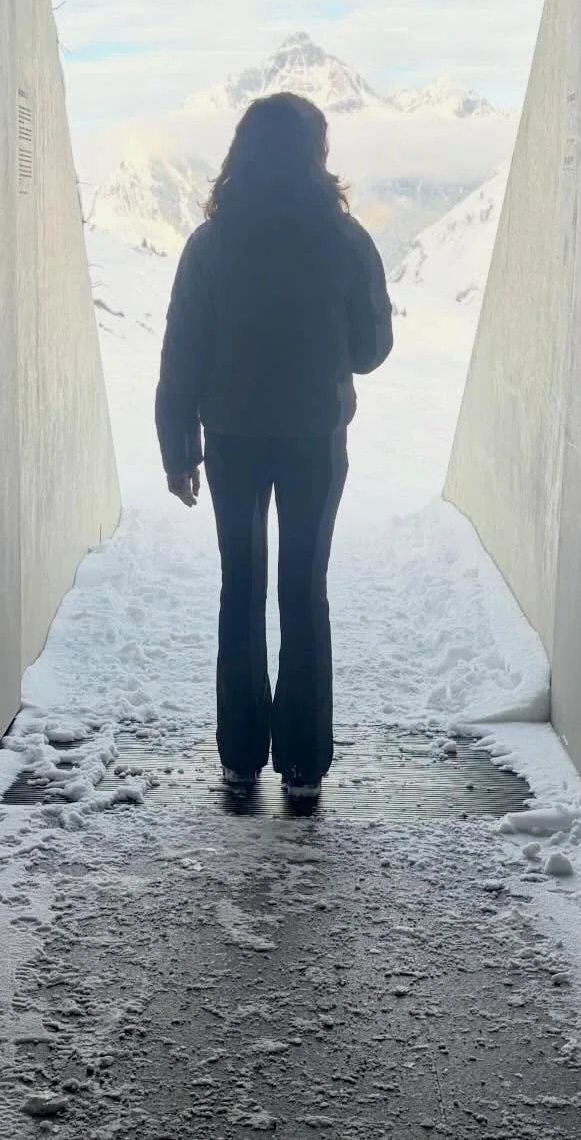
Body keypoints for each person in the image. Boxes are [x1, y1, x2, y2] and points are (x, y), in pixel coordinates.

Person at [155, 92, 394, 802]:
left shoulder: (210, 243)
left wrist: (178, 450)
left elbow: (182, 353)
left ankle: (239, 757)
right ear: (315, 156)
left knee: (241, 586)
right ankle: (303, 764)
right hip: (315, 438)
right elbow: (373, 348)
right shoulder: (345, 240)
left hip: (230, 437)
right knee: (303, 588)